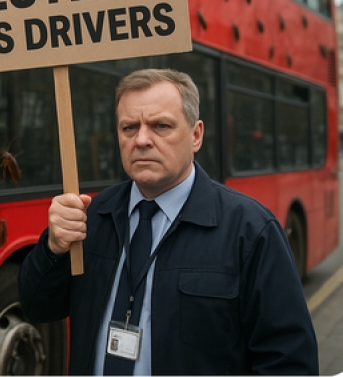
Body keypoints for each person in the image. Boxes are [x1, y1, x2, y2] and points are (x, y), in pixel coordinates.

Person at [18, 68, 318, 375]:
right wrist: (53, 247)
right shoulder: (91, 216)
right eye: (129, 127)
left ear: (196, 135)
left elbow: (289, 360)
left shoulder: (250, 230)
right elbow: (38, 306)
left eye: (161, 126)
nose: (142, 140)